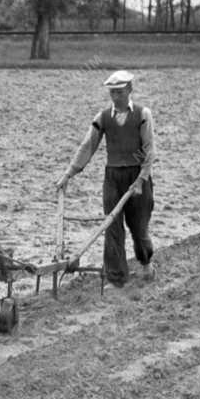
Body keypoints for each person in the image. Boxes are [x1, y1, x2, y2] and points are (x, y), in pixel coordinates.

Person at [56, 69, 156, 287]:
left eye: (119, 92)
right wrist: (68, 174)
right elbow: (87, 146)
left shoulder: (142, 115)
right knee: (112, 227)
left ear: (129, 89)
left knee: (139, 228)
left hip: (138, 176)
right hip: (113, 177)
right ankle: (116, 278)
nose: (115, 97)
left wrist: (140, 180)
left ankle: (146, 262)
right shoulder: (102, 118)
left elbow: (149, 151)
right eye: (112, 93)